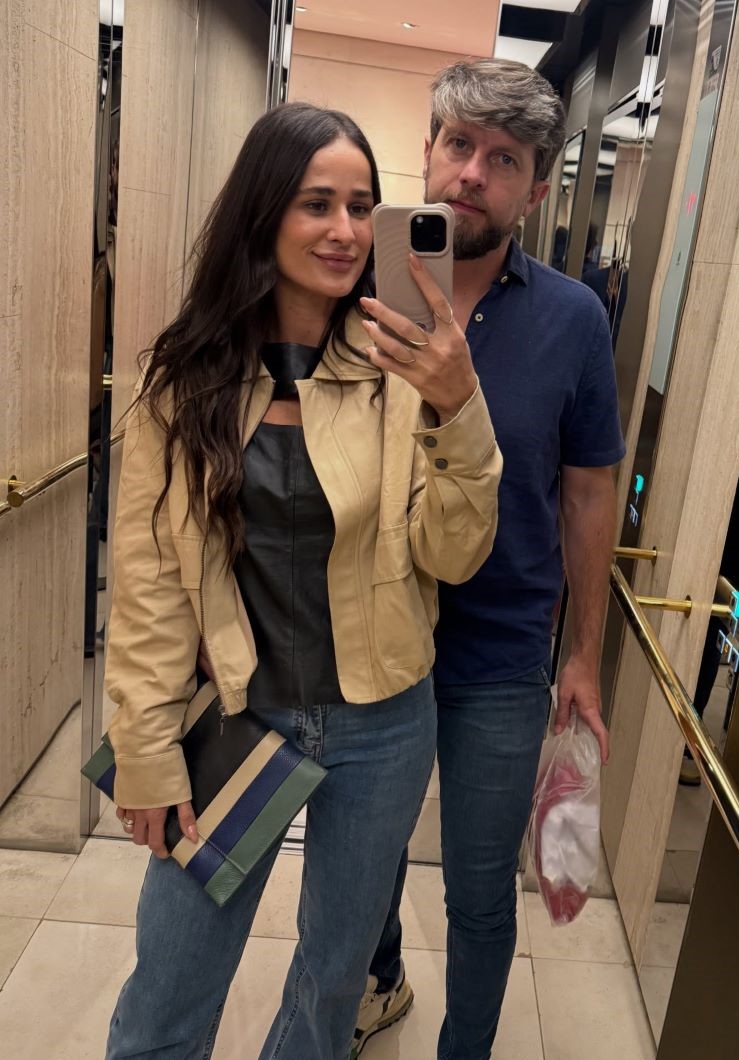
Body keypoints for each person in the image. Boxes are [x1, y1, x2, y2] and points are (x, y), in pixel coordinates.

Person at [102, 102, 502, 1060]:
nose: (346, 231)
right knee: (170, 985)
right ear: (264, 211)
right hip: (242, 715)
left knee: (332, 985)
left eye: (362, 206)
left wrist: (460, 407)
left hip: (384, 723)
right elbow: (150, 588)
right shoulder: (185, 380)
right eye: (317, 203)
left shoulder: (404, 371)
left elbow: (454, 554)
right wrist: (146, 751)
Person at [357, 59, 626, 1060]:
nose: (473, 172)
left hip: (502, 655)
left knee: (477, 891)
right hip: (368, 633)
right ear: (427, 148)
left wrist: (582, 653)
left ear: (537, 188)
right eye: (459, 144)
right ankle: (377, 982)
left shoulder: (573, 318)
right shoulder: (355, 289)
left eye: (503, 158)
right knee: (364, 864)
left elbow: (587, 490)